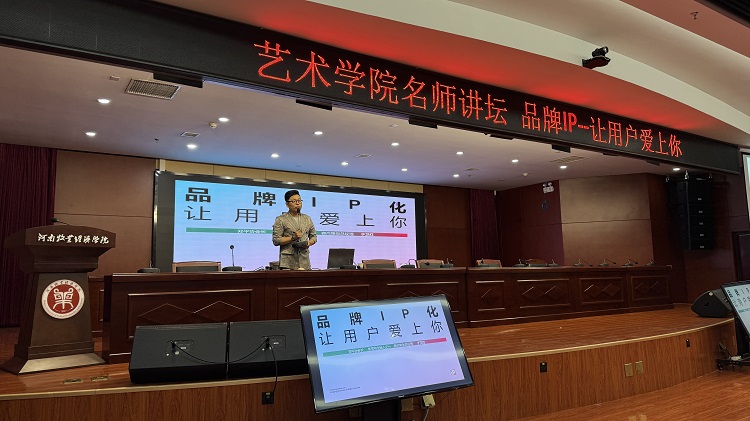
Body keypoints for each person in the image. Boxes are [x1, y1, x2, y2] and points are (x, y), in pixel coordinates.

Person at [272, 190, 317, 270]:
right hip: (288, 263)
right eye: (294, 201)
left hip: (305, 262)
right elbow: (276, 240)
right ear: (287, 204)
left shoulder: (307, 218)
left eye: (299, 200)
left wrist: (309, 243)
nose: (297, 203)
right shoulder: (281, 219)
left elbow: (314, 236)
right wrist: (293, 238)